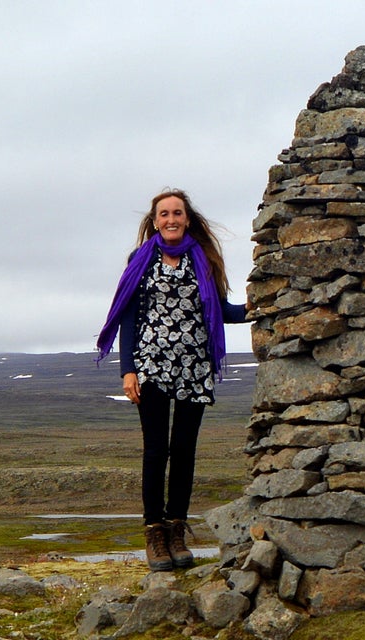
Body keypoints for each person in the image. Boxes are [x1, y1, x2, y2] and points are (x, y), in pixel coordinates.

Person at [95, 188, 250, 571]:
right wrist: (127, 369)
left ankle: (177, 531)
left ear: (187, 218)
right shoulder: (140, 260)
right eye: (163, 214)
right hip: (152, 364)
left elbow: (223, 310)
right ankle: (154, 534)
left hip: (195, 366)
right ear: (154, 221)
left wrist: (264, 303)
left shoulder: (206, 258)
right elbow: (129, 317)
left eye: (176, 213)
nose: (170, 220)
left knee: (184, 452)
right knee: (155, 451)